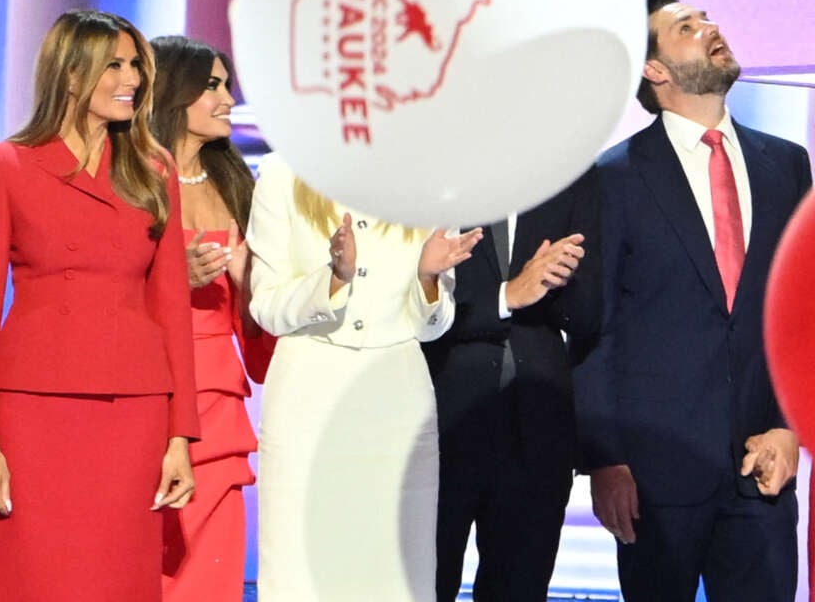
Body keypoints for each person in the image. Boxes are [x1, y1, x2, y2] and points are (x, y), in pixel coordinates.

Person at [574, 0, 811, 601]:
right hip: (655, 483)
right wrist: (605, 460)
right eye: (686, 27)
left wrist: (790, 428)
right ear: (654, 70)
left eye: (707, 18)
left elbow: (800, 316)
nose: (710, 27)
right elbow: (595, 331)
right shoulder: (613, 178)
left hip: (762, 474)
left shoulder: (787, 164)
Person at [0, 10, 199, 601]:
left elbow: (172, 306)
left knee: (116, 579)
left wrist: (180, 437)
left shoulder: (152, 169)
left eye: (135, 66)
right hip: (32, 411)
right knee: (32, 576)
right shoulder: (8, 165)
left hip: (133, 410)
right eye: (114, 66)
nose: (134, 79)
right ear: (71, 76)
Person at [246, 153, 482, 600]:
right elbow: (267, 307)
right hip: (308, 401)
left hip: (396, 400)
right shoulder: (282, 174)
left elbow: (433, 325)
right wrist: (334, 278)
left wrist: (429, 278)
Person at [423, 170, 601, 602]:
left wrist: (558, 278)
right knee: (423, 584)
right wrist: (508, 296)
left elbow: (589, 316)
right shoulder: (429, 174)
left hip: (538, 428)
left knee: (520, 586)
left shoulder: (573, 176)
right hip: (441, 423)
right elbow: (409, 304)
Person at [149, 35, 274, 600]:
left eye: (228, 86)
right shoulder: (131, 177)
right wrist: (176, 280)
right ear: (175, 92)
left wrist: (253, 286)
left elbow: (256, 313)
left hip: (218, 395)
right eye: (213, 86)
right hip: (145, 387)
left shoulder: (241, 184)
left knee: (213, 562)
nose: (228, 99)